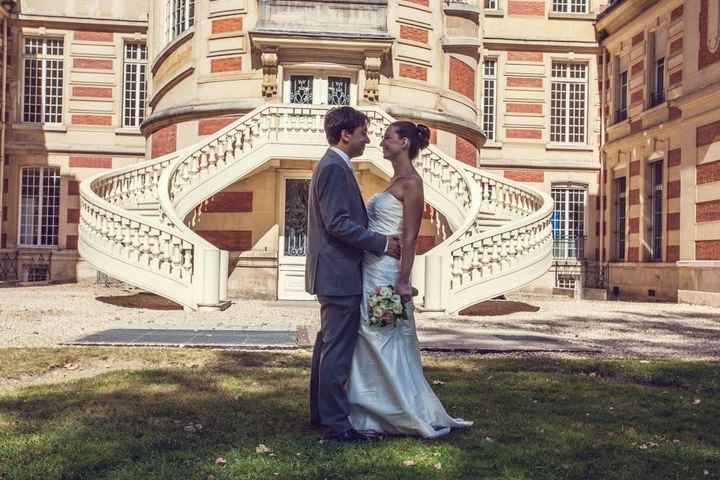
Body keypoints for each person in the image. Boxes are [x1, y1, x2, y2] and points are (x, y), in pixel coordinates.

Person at [346, 120, 473, 438]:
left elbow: (412, 236)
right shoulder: (394, 179)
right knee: (368, 337)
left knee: (384, 336)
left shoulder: (413, 182)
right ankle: (369, 406)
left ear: (404, 143)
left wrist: (403, 280)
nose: (382, 142)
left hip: (388, 272)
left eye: (388, 138)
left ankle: (396, 409)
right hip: (370, 267)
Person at [305, 106, 402, 442]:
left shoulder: (334, 165)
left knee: (328, 345)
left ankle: (322, 415)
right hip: (338, 273)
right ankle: (336, 425)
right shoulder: (334, 167)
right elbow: (337, 223)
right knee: (337, 349)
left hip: (334, 272)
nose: (368, 138)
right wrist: (382, 243)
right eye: (363, 132)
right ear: (346, 134)